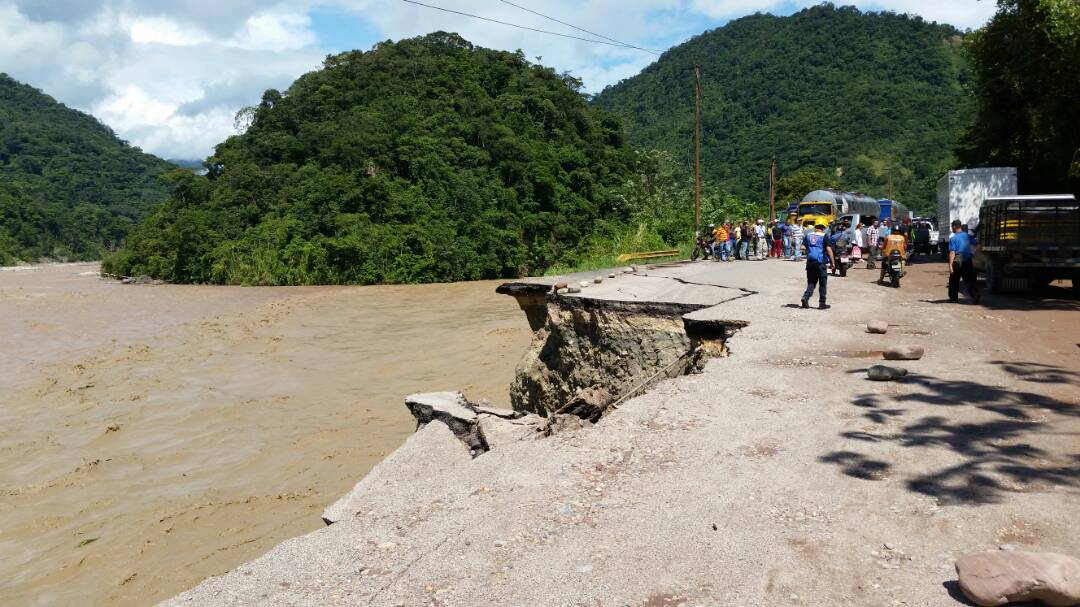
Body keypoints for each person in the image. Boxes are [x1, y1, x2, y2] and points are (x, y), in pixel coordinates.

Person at [801, 223, 833, 310]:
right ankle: (822, 303)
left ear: (816, 227)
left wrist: (809, 252)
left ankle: (805, 297)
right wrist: (832, 262)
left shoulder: (808, 235)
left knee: (811, 282)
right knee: (823, 282)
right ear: (823, 228)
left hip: (810, 262)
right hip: (820, 262)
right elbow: (828, 249)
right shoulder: (824, 236)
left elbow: (802, 247)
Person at [948, 219, 981, 303]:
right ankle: (975, 293)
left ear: (955, 227)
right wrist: (973, 253)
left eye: (952, 226)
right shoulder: (967, 236)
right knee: (969, 279)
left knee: (954, 279)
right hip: (968, 260)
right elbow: (978, 245)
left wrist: (950, 266)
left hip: (958, 260)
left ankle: (953, 299)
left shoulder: (953, 238)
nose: (952, 228)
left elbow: (952, 252)